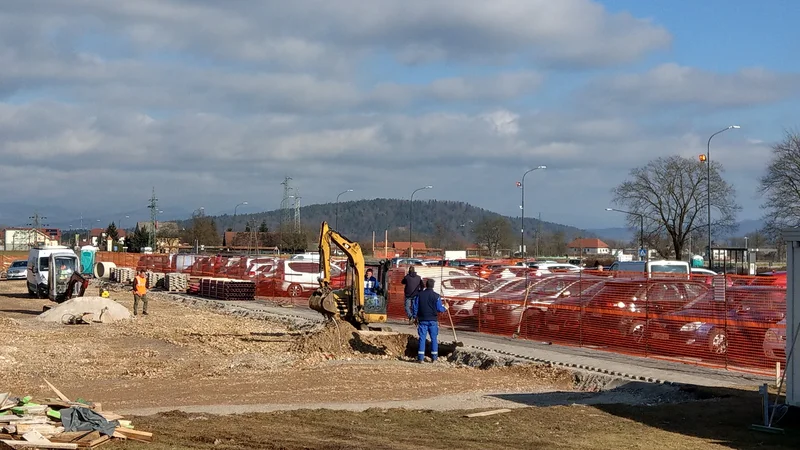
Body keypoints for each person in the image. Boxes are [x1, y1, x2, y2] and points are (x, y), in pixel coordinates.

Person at [412, 279, 448, 363]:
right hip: (433, 321)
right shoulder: (436, 296)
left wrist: (414, 317)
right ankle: (434, 358)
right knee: (434, 339)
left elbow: (415, 307)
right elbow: (440, 309)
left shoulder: (419, 295)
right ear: (433, 286)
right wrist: (446, 307)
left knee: (422, 338)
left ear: (426, 285)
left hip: (422, 320)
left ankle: (420, 358)